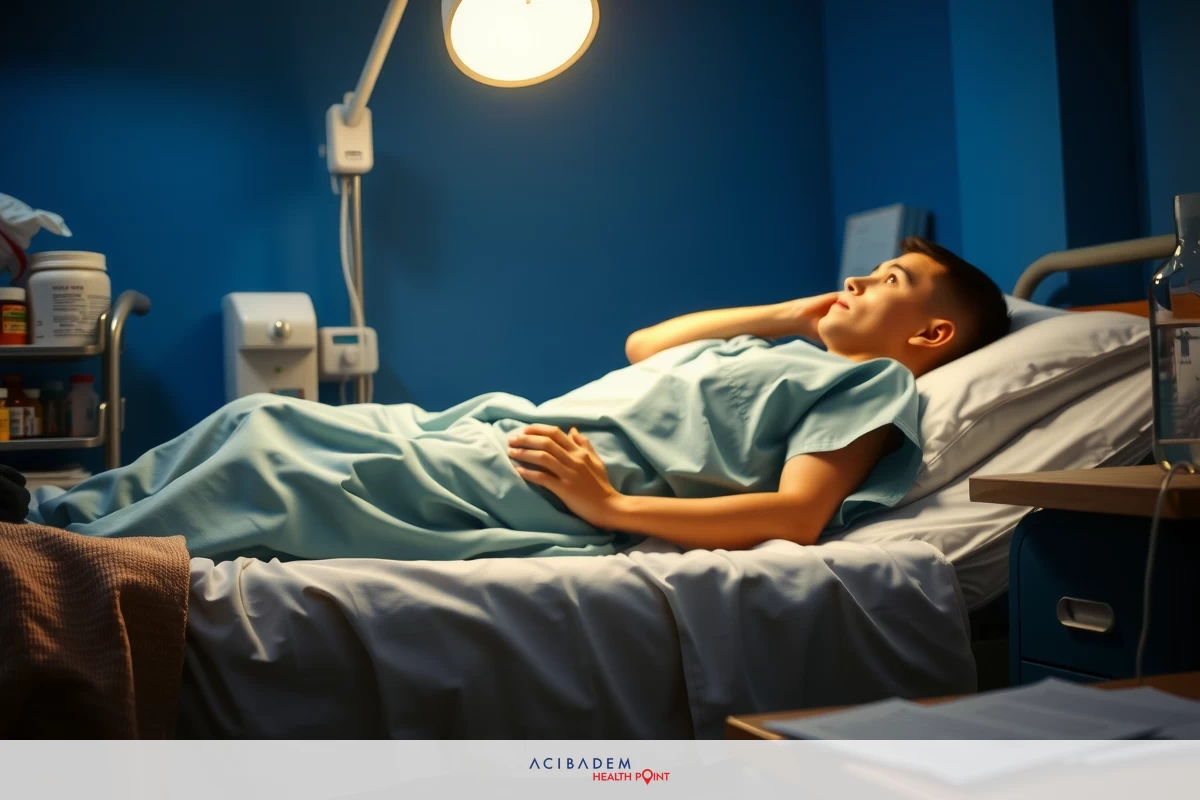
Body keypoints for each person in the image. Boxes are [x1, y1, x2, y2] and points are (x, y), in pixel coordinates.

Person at [18, 237, 1009, 562]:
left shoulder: (864, 381)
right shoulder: (781, 345)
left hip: (542, 481)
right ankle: (46, 514)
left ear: (930, 338)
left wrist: (612, 509)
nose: (863, 279)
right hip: (496, 426)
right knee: (258, 416)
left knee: (269, 460)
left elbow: (799, 512)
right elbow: (644, 344)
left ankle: (59, 550)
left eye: (891, 280)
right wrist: (798, 310)